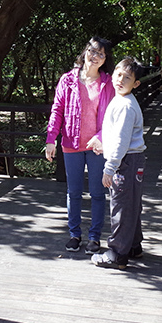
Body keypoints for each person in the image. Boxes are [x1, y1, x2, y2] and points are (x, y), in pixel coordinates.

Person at [45, 36, 115, 255]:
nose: (95, 56)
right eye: (92, 51)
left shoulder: (108, 83)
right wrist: (50, 139)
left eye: (100, 54)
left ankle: (94, 237)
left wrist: (102, 137)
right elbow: (57, 110)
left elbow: (113, 116)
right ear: (85, 52)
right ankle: (74, 234)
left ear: (105, 60)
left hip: (96, 147)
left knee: (97, 193)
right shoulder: (67, 80)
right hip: (71, 143)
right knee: (73, 192)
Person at [91, 56, 146, 270]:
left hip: (126, 162)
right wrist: (106, 146)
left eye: (128, 77)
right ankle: (133, 245)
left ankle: (117, 253)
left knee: (121, 206)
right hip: (131, 158)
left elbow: (123, 142)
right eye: (119, 74)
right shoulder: (122, 100)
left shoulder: (125, 105)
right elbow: (120, 137)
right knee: (131, 203)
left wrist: (109, 168)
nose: (121, 80)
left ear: (136, 83)